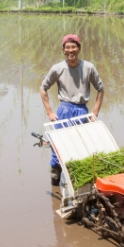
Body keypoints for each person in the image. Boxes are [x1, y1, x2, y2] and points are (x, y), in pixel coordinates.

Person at [40, 34, 104, 186]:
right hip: (64, 110)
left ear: (79, 48)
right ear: (63, 50)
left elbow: (100, 88)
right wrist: (49, 112)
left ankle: (77, 183)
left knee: (80, 148)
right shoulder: (57, 69)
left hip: (82, 111)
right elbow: (43, 88)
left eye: (73, 47)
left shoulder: (88, 67)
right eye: (67, 47)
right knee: (58, 146)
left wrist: (95, 113)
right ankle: (55, 179)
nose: (71, 50)